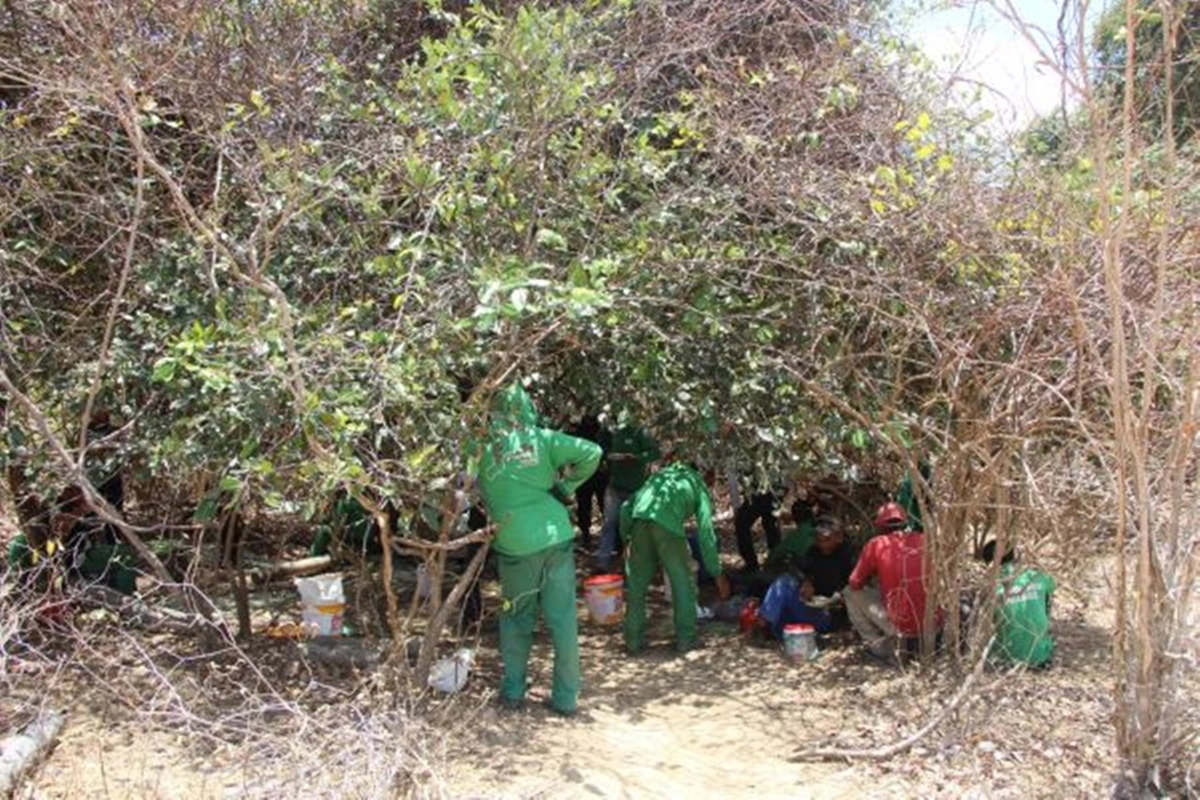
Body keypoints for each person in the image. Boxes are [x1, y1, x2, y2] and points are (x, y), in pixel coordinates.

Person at [474, 384, 602, 716]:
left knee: (517, 618)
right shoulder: (543, 438)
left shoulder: (479, 447)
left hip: (515, 543)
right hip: (555, 537)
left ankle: (514, 690)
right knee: (562, 621)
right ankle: (565, 699)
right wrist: (565, 486)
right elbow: (593, 453)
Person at [619, 461, 731, 653]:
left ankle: (633, 641)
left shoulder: (660, 476)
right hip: (667, 527)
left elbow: (626, 507)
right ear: (708, 477)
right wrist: (717, 573)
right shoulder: (697, 485)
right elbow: (706, 534)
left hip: (640, 523)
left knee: (636, 585)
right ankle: (686, 639)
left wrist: (626, 539)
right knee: (683, 583)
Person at [845, 502, 942, 663]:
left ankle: (880, 647)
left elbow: (854, 583)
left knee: (849, 592)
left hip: (902, 627)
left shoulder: (877, 544)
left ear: (879, 526)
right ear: (905, 523)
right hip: (933, 625)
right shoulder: (925, 540)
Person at [757, 517, 856, 637]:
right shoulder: (814, 551)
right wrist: (806, 582)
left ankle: (764, 624)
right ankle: (767, 626)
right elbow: (804, 572)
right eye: (818, 540)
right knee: (784, 588)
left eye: (826, 540)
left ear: (838, 538)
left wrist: (839, 597)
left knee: (784, 584)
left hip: (829, 615)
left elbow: (855, 586)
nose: (822, 544)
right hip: (810, 606)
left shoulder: (848, 555)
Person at [593, 421, 660, 572]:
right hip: (615, 487)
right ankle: (602, 563)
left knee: (636, 527)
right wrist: (606, 455)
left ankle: (634, 565)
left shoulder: (639, 431)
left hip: (636, 489)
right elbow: (598, 448)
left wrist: (636, 457)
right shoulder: (609, 429)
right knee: (609, 525)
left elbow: (654, 453)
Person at [979, 541, 1056, 668]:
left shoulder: (991, 583)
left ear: (990, 563)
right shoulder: (1035, 575)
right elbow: (1051, 587)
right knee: (1044, 597)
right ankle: (1039, 642)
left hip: (1005, 658)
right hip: (1040, 658)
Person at [568, 414, 609, 550]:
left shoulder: (602, 432)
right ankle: (587, 535)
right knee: (586, 504)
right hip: (589, 474)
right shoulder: (598, 431)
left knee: (593, 504)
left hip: (593, 474)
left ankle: (593, 535)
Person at [733, 475, 782, 572]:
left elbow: (732, 476)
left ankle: (752, 565)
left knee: (742, 524)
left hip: (764, 488)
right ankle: (776, 561)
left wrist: (736, 506)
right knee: (770, 523)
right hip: (774, 486)